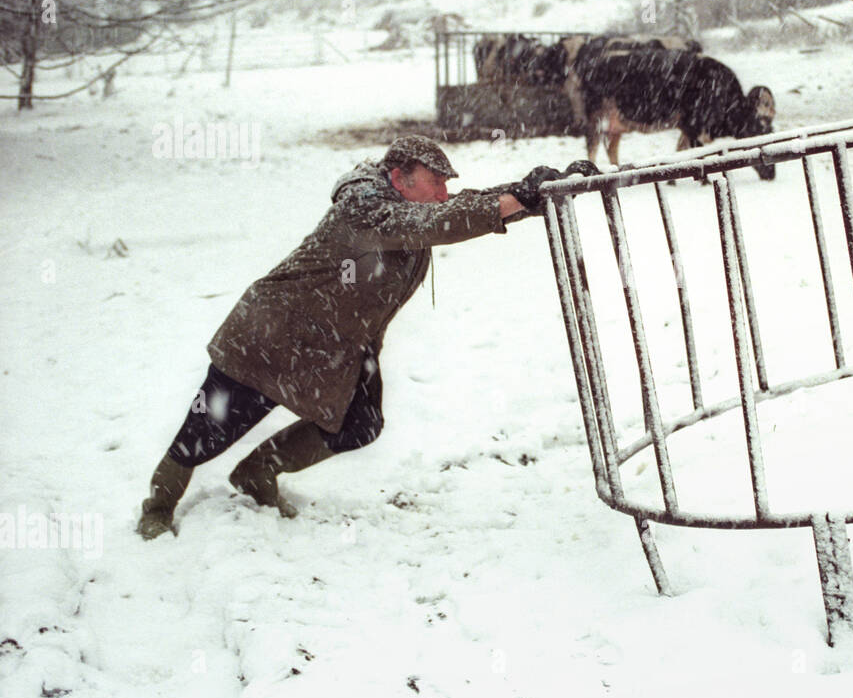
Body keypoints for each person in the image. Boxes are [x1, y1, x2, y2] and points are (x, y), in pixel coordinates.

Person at [137, 135, 573, 539]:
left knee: (359, 424)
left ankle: (258, 471)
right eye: (435, 182)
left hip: (337, 344)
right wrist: (517, 199)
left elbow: (453, 208)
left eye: (444, 184)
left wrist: (534, 193)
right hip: (274, 336)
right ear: (400, 178)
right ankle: (157, 508)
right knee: (205, 432)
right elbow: (438, 218)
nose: (443, 192)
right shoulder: (365, 207)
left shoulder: (404, 208)